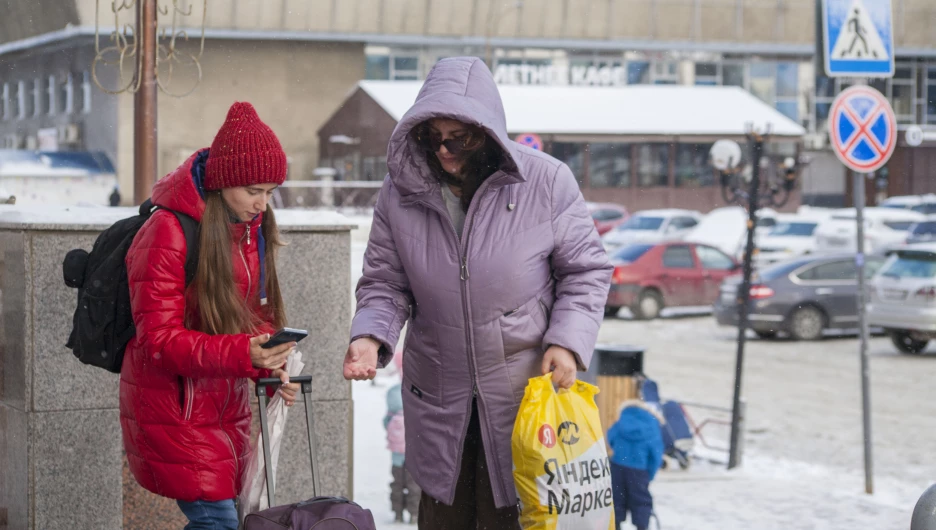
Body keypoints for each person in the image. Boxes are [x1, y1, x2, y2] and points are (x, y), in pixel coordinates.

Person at [343, 57, 612, 529]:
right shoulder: (398, 192)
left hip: (522, 401)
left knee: (514, 513)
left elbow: (586, 270)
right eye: (433, 137)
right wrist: (370, 335)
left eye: (459, 138)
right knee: (444, 515)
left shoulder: (546, 182)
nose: (444, 150)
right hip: (438, 400)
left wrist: (567, 341)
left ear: (486, 130)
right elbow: (386, 281)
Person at [120, 101, 300, 530]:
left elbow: (248, 320)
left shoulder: (246, 230)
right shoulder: (167, 232)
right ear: (222, 184)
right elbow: (158, 341)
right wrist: (245, 354)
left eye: (271, 191)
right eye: (254, 190)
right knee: (217, 522)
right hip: (175, 409)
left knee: (219, 522)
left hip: (224, 410)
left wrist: (270, 368)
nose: (263, 203)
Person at [607, 400, 665, 530]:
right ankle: (642, 525)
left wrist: (619, 450)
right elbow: (656, 454)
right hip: (639, 470)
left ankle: (615, 524)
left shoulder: (622, 421)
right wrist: (649, 474)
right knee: (641, 501)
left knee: (616, 497)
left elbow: (610, 437)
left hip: (617, 467)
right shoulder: (652, 424)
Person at [385, 352, 420, 524]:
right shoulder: (418, 392)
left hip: (397, 454)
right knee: (414, 485)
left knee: (397, 483)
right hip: (415, 452)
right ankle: (414, 514)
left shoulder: (393, 393)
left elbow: (386, 421)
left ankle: (397, 512)